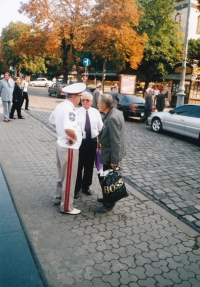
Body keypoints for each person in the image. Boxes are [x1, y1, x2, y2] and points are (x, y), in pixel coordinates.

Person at [49, 82, 86, 215]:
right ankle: (66, 207)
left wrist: (60, 133)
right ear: (76, 97)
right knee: (69, 177)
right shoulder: (70, 109)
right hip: (69, 148)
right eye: (80, 97)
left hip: (61, 145)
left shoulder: (60, 106)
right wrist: (74, 137)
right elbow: (68, 128)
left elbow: (51, 120)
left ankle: (58, 198)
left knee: (62, 175)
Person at [97, 94, 126, 213]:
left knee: (109, 179)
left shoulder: (113, 117)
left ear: (104, 105)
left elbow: (116, 141)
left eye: (98, 102)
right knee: (107, 177)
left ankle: (109, 202)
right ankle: (106, 197)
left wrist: (114, 160)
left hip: (110, 155)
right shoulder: (114, 112)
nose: (97, 104)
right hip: (108, 151)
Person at [74, 92, 103, 199]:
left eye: (87, 100)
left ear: (91, 101)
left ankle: (86, 186)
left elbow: (100, 128)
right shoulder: (77, 112)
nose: (85, 102)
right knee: (78, 165)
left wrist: (99, 141)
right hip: (81, 142)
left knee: (89, 165)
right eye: (83, 100)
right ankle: (76, 188)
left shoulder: (95, 112)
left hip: (92, 142)